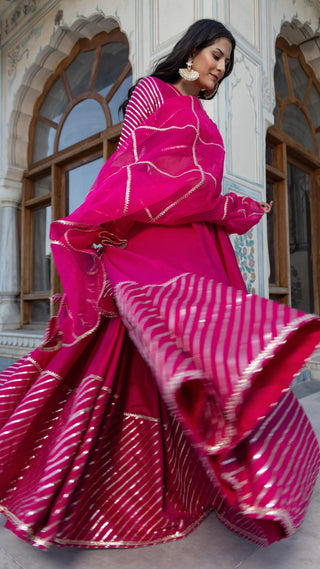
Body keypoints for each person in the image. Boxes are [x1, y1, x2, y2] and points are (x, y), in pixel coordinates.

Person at [0, 18, 320, 551]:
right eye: (216, 55)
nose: (221, 67)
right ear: (191, 52)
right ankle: (99, 480)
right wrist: (103, 222)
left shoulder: (201, 114)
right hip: (152, 240)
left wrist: (233, 207)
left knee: (207, 351)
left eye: (227, 61)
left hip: (200, 247)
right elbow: (130, 161)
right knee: (132, 347)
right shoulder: (151, 91)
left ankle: (229, 478)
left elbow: (204, 182)